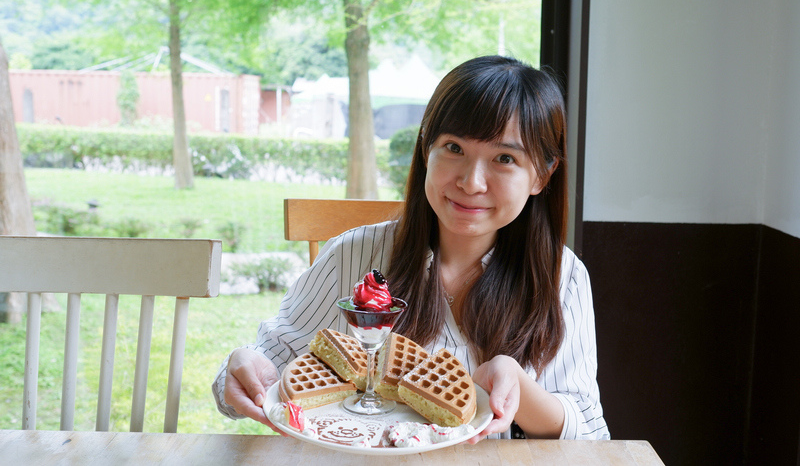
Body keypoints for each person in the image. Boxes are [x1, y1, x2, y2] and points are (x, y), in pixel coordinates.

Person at [212, 55, 610, 441]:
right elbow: (266, 365)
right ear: (426, 149)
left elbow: (588, 429)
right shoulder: (351, 256)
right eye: (454, 148)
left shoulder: (563, 277)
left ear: (542, 175)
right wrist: (240, 367)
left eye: (504, 158)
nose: (471, 182)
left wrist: (515, 379)